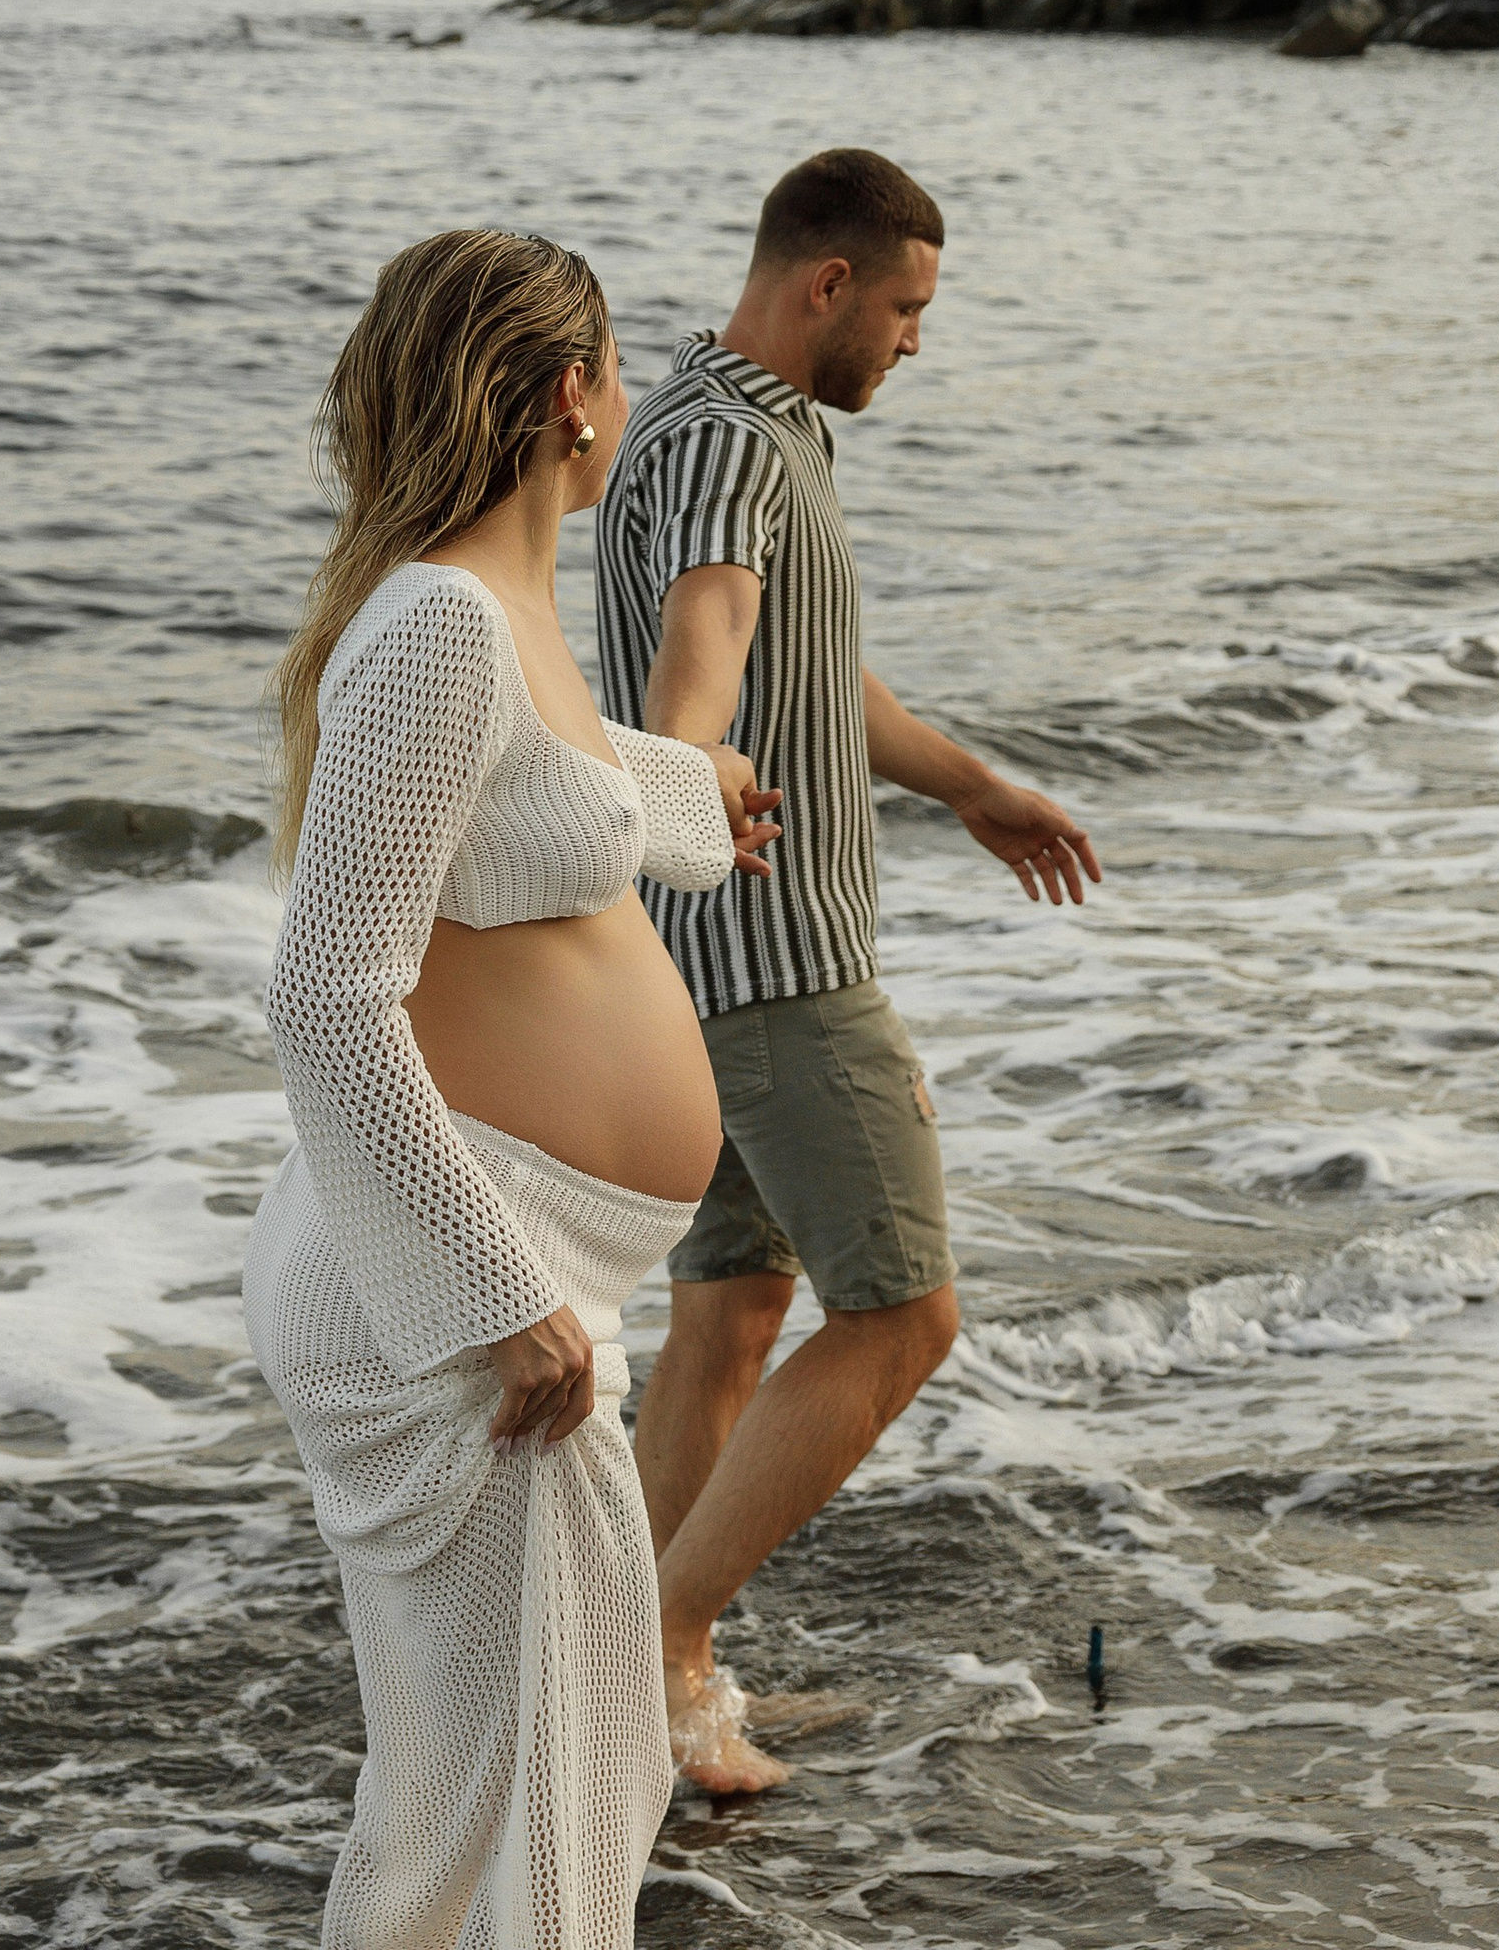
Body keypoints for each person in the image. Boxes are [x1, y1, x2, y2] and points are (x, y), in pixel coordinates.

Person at [244, 227, 780, 1950]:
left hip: (508, 1280)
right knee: (502, 1795)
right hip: (451, 1293)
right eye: (618, 369)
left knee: (528, 1777)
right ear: (570, 394)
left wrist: (691, 797)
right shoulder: (441, 630)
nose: (628, 401)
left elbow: (543, 792)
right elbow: (326, 991)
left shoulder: (497, 615)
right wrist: (494, 1298)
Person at [594, 146, 1102, 1797]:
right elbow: (714, 629)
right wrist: (680, 763)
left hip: (690, 957)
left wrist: (969, 784)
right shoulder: (744, 441)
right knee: (903, 1315)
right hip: (779, 955)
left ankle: (624, 1681)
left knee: (732, 1312)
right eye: (905, 310)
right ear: (827, 283)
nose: (910, 344)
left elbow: (814, 664)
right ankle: (666, 1642)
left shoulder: (714, 415)